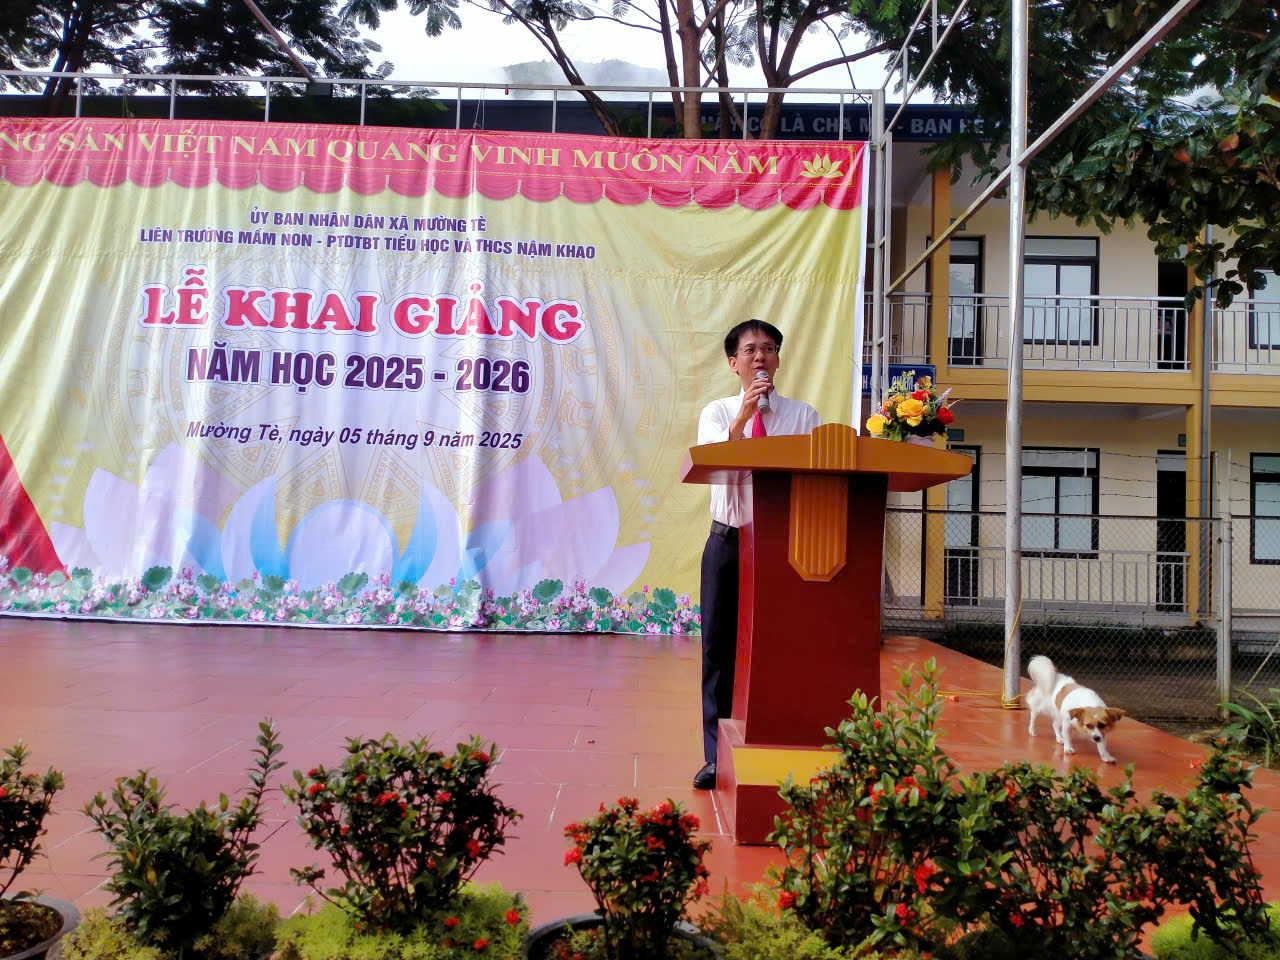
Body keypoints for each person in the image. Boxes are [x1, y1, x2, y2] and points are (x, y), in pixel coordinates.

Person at [693, 319, 820, 790]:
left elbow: (815, 476)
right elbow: (713, 464)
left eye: (768, 348)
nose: (760, 357)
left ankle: (778, 743)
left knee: (779, 646)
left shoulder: (803, 416)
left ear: (778, 359)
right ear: (734, 363)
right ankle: (715, 757)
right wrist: (742, 419)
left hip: (781, 545)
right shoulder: (717, 412)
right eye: (749, 350)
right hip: (728, 541)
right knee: (718, 651)